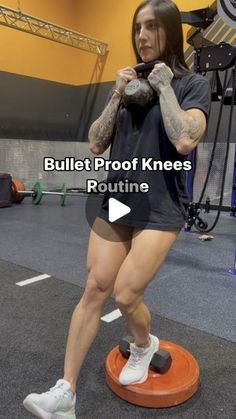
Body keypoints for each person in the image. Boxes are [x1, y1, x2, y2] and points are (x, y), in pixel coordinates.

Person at [23, 0, 210, 417]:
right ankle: (65, 393)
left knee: (126, 294)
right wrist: (115, 94)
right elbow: (95, 142)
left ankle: (145, 346)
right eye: (137, 28)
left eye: (151, 28)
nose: (141, 37)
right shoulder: (125, 87)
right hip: (119, 199)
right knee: (94, 288)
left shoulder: (191, 84)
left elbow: (185, 140)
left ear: (169, 32)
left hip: (162, 203)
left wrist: (164, 87)